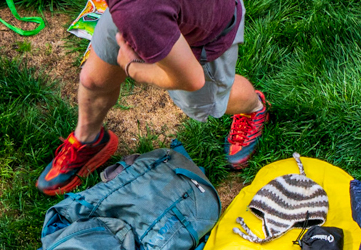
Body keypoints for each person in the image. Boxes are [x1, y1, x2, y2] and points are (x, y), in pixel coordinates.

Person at [36, 0, 268, 196]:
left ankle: (254, 107)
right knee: (94, 80)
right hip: (146, 14)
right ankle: (89, 140)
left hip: (203, 34)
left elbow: (191, 79)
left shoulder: (137, 10)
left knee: (206, 103)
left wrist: (133, 68)